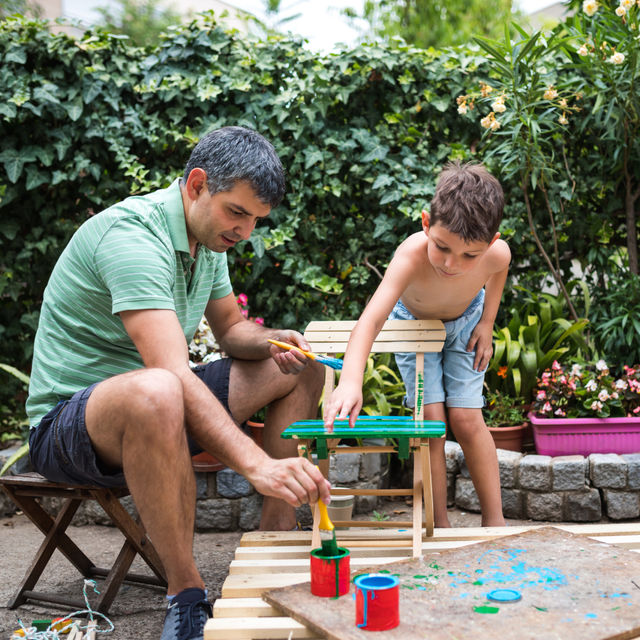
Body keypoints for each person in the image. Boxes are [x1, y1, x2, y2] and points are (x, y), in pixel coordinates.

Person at [25, 126, 331, 640]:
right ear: (196, 185)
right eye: (237, 212)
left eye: (256, 220)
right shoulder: (131, 236)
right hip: (69, 427)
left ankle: (274, 543)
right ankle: (186, 596)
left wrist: (272, 341)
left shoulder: (207, 241)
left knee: (303, 367)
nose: (245, 231)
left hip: (160, 405)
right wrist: (257, 464)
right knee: (160, 388)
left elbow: (231, 330)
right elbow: (169, 372)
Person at [324, 161, 509, 529]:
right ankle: (438, 524)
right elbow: (371, 321)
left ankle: (496, 523)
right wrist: (350, 380)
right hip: (414, 327)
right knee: (432, 423)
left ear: (490, 242)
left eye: (469, 256)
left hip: (466, 326)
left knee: (468, 419)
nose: (452, 265)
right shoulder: (410, 255)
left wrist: (487, 322)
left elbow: (498, 273)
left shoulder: (497, 253)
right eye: (441, 247)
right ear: (426, 223)